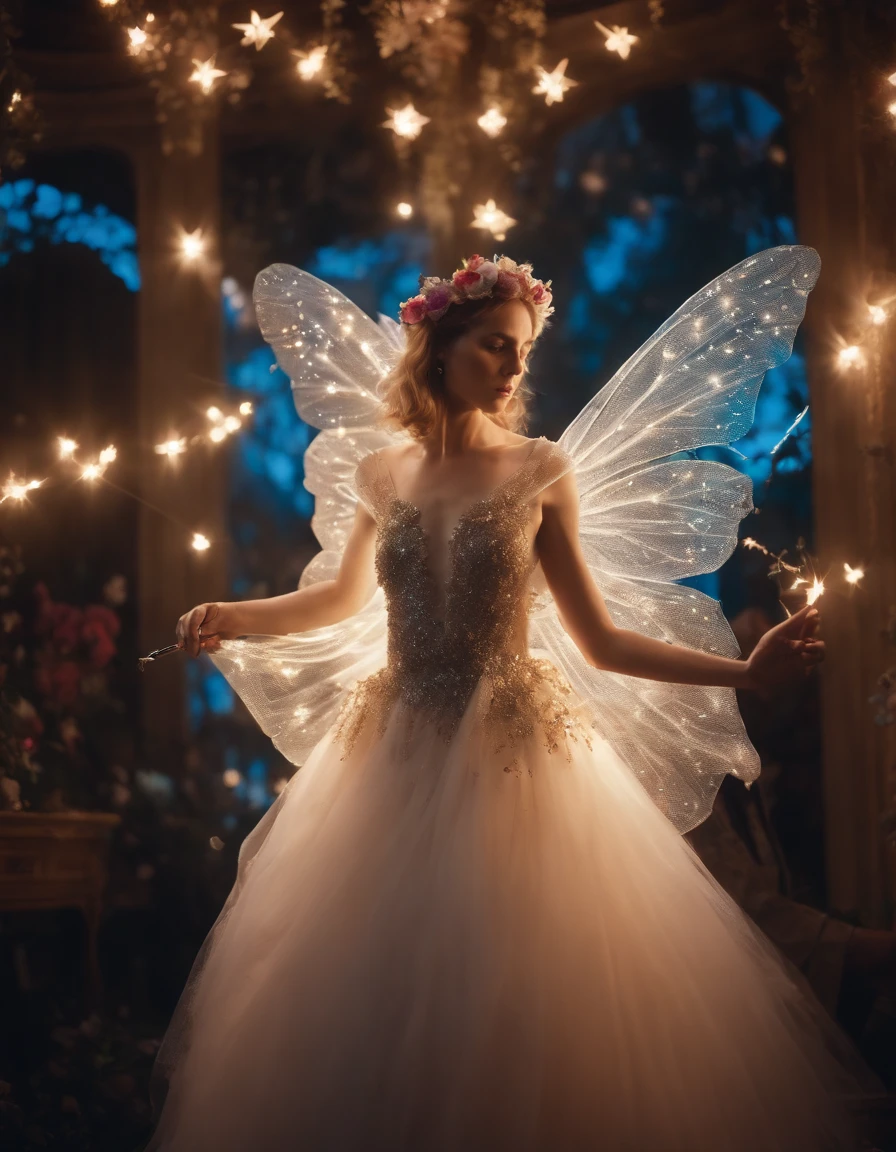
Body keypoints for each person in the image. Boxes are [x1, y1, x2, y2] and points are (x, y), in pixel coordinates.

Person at [147, 250, 883, 1151]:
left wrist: (747, 674)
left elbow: (602, 641)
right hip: (393, 755)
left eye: (522, 350)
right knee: (373, 992)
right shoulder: (383, 475)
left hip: (517, 760)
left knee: (524, 996)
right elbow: (339, 601)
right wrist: (234, 614)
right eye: (497, 345)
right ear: (442, 344)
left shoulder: (539, 469)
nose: (514, 365)